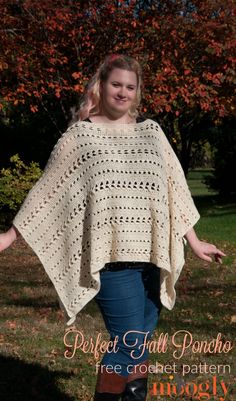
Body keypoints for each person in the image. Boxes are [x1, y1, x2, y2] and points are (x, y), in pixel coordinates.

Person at [0, 54, 226, 401]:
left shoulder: (152, 133)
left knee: (139, 345)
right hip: (113, 263)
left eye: (130, 87)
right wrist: (10, 236)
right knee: (130, 342)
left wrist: (194, 243)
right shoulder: (81, 138)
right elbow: (48, 190)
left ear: (137, 93)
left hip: (153, 259)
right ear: (101, 86)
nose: (123, 92)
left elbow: (173, 191)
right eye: (116, 84)